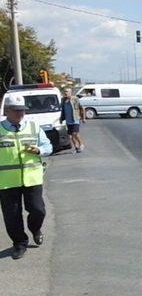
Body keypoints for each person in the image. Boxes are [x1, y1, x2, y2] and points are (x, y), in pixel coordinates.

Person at [0, 93, 52, 260]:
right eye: (16, 110)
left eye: (22, 110)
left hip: (32, 178)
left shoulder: (33, 127)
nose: (20, 113)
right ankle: (20, 243)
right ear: (6, 110)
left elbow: (47, 146)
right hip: (7, 181)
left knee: (38, 210)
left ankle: (35, 228)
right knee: (12, 216)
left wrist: (39, 150)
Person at [60, 88, 86, 153]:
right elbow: (62, 110)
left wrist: (83, 118)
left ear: (71, 93)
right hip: (68, 120)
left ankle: (81, 144)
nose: (65, 93)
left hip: (75, 119)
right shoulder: (63, 100)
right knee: (71, 135)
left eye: (67, 92)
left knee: (75, 133)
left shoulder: (75, 99)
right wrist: (61, 118)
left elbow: (82, 108)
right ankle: (76, 148)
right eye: (65, 92)